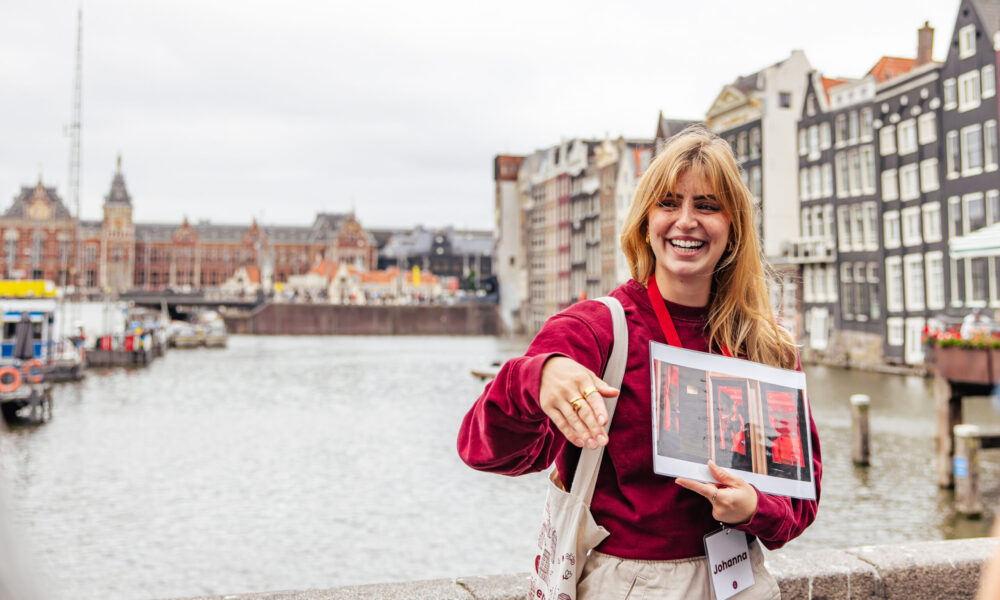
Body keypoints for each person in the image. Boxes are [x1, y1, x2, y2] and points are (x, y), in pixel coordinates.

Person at [457, 126, 821, 599]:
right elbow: (481, 448)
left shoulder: (766, 346)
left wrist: (754, 506)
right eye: (668, 203)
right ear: (645, 220)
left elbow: (800, 501)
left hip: (739, 582)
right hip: (634, 585)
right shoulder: (599, 328)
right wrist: (538, 375)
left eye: (707, 205)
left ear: (733, 228)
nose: (686, 220)